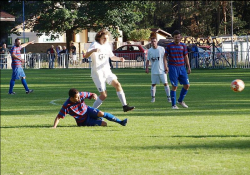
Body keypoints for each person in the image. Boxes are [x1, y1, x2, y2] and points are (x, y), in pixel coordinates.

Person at [84, 29, 134, 112]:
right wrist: (93, 50)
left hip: (107, 71)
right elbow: (85, 56)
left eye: (107, 38)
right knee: (103, 95)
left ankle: (125, 106)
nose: (106, 40)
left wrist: (119, 58)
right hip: (98, 73)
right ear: (99, 37)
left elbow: (112, 57)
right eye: (104, 38)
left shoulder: (107, 45)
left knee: (117, 84)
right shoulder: (94, 44)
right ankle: (90, 112)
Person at [52, 88, 128, 128]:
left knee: (101, 113)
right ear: (71, 98)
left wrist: (94, 95)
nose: (79, 98)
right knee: (104, 124)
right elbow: (58, 117)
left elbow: (91, 94)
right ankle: (98, 119)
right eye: (77, 97)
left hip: (88, 110)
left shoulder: (80, 95)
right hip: (83, 121)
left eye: (79, 96)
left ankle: (121, 122)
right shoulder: (67, 105)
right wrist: (54, 126)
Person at [164, 30, 191, 109]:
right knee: (174, 86)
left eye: (178, 37)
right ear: (173, 38)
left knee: (187, 85)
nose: (177, 38)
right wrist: (166, 66)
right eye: (176, 37)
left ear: (181, 37)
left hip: (182, 67)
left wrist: (188, 67)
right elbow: (165, 56)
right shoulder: (169, 46)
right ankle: (173, 105)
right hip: (173, 67)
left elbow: (186, 56)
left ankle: (180, 101)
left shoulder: (183, 46)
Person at [146, 34, 171, 103]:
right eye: (152, 41)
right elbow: (148, 60)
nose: (153, 43)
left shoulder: (161, 49)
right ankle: (153, 98)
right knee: (153, 84)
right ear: (151, 42)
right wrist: (147, 68)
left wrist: (166, 67)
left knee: (165, 83)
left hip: (162, 70)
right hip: (154, 70)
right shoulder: (150, 51)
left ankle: (169, 97)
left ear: (156, 42)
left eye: (154, 41)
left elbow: (164, 58)